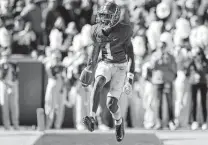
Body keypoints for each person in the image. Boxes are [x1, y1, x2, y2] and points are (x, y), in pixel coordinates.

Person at [79, 1, 135, 142]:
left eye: (107, 16)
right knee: (98, 82)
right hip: (105, 63)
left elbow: (131, 56)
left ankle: (118, 122)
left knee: (111, 104)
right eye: (102, 15)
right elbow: (95, 50)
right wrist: (89, 67)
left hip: (121, 66)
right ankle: (91, 117)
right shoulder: (96, 30)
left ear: (115, 17)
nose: (103, 19)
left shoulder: (124, 30)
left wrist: (130, 79)